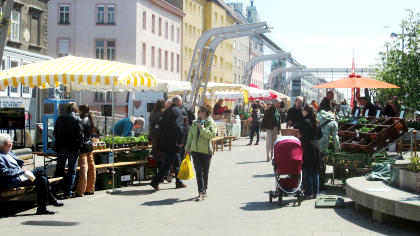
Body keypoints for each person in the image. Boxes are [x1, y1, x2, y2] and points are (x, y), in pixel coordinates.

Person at [0, 134, 64, 214]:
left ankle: (42, 208)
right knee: (40, 172)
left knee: (42, 179)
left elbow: (17, 163)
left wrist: (22, 170)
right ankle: (49, 200)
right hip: (12, 181)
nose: (11, 144)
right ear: (4, 144)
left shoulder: (9, 152)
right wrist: (21, 171)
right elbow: (4, 172)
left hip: (21, 177)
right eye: (9, 143)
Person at [150, 95, 186, 190]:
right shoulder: (177, 111)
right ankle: (155, 181)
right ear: (179, 102)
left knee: (175, 161)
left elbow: (160, 127)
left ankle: (179, 181)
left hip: (165, 141)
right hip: (173, 142)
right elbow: (179, 127)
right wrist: (181, 141)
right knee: (168, 163)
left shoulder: (166, 111)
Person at [185, 106, 217, 201]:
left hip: (206, 151)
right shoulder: (195, 123)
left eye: (203, 113)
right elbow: (190, 136)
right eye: (200, 112)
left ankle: (204, 189)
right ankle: (201, 191)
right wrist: (187, 148)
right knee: (198, 171)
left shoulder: (210, 122)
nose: (201, 115)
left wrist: (202, 128)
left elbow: (211, 135)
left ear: (206, 114)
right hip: (195, 151)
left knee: (205, 172)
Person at [52, 102, 84, 198]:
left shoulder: (60, 118)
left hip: (61, 147)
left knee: (59, 169)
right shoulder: (77, 119)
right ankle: (68, 192)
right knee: (72, 170)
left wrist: (60, 140)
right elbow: (81, 136)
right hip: (73, 149)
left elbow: (55, 133)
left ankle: (53, 190)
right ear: (75, 109)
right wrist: (78, 146)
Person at [297, 105, 323, 199]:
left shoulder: (304, 122)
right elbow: (320, 135)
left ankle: (309, 193)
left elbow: (302, 136)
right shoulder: (316, 121)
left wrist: (300, 137)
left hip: (307, 147)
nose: (301, 112)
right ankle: (315, 193)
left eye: (302, 110)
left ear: (306, 111)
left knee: (307, 171)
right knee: (315, 171)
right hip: (316, 147)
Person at [317, 109, 340, 190]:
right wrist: (338, 150)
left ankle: (311, 185)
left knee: (312, 166)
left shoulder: (318, 117)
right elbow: (335, 138)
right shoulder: (333, 122)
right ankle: (321, 185)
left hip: (312, 144)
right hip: (322, 146)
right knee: (321, 166)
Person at [76, 105, 96, 197]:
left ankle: (81, 190)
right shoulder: (90, 119)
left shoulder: (81, 120)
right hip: (89, 146)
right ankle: (90, 188)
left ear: (81, 110)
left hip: (83, 146)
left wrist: (78, 145)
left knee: (84, 167)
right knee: (91, 166)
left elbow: (80, 135)